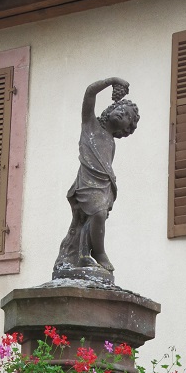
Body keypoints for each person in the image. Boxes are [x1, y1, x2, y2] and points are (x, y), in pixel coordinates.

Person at [53, 78, 139, 281]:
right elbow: (89, 93)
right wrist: (112, 81)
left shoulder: (111, 141)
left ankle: (83, 254)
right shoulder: (89, 124)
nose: (122, 113)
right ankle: (99, 253)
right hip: (86, 184)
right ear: (110, 109)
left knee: (92, 220)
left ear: (126, 129)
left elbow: (105, 165)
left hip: (104, 186)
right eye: (120, 108)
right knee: (98, 214)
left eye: (127, 116)